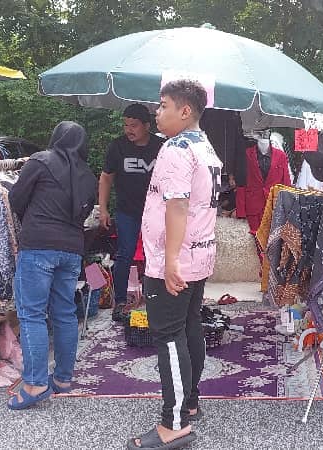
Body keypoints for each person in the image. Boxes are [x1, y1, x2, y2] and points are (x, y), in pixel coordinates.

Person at [129, 80, 221, 450]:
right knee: (188, 325)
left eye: (163, 105)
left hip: (175, 259)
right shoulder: (205, 145)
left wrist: (169, 260)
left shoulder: (177, 148)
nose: (157, 112)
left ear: (184, 111)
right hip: (198, 253)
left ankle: (175, 422)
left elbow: (178, 204)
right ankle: (190, 401)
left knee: (168, 335)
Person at [6, 121, 98, 410]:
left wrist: (34, 218)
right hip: (72, 248)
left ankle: (35, 384)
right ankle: (63, 379)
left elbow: (15, 198)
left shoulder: (41, 161)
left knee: (32, 314)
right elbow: (84, 211)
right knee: (65, 313)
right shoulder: (88, 175)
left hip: (39, 245)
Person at [98, 104, 164, 321]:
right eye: (126, 125)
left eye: (134, 125)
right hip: (126, 210)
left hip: (156, 211)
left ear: (147, 125)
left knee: (155, 255)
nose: (129, 130)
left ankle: (154, 299)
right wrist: (103, 208)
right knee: (124, 255)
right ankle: (120, 302)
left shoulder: (161, 147)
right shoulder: (118, 146)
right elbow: (106, 177)